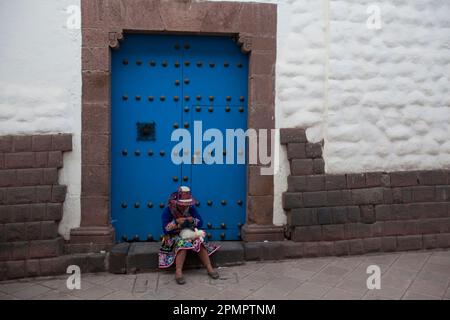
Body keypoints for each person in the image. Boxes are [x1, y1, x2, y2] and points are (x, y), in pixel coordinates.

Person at [158, 186, 220, 284]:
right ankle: (178, 272)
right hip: (173, 236)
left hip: (189, 233)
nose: (185, 206)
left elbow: (200, 222)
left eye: (187, 203)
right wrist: (176, 222)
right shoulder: (168, 211)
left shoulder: (191, 209)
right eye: (182, 204)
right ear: (176, 202)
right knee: (183, 244)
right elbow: (166, 229)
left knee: (199, 241)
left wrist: (193, 220)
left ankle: (209, 268)